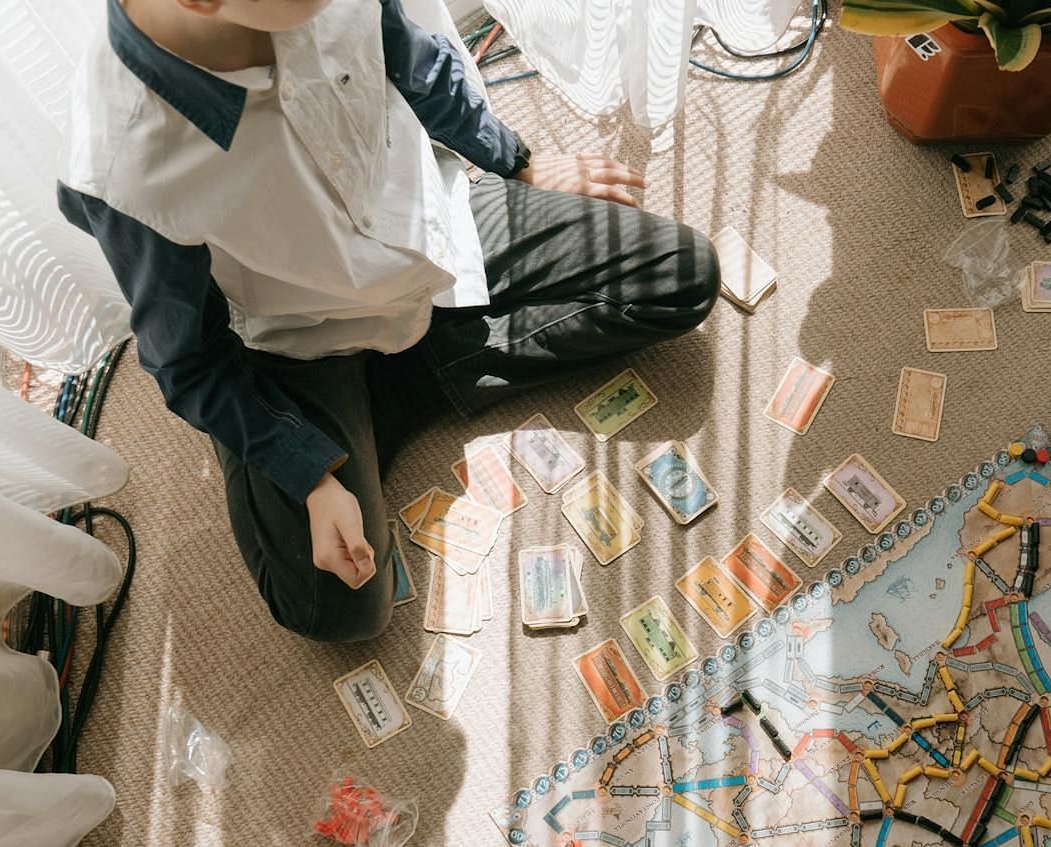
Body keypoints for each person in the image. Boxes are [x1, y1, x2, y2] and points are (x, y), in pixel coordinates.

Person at [58, 0, 720, 642]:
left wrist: (516, 160)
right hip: (297, 340)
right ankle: (358, 414)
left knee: (682, 277)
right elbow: (187, 361)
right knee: (336, 609)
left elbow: (413, 58)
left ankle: (386, 399)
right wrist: (310, 474)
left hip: (427, 237)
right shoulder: (126, 167)